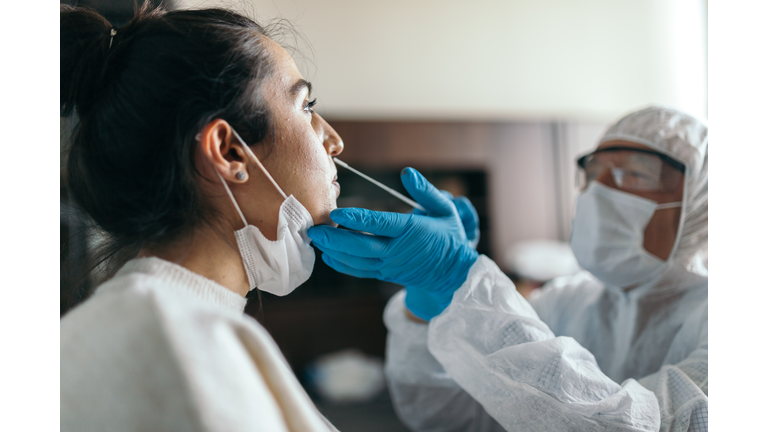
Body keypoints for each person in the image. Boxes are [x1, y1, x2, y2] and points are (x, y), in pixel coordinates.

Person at [309, 106, 708, 431]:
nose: (598, 191)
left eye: (632, 174)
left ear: (702, 202)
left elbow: (637, 426)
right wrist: (429, 306)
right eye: (593, 172)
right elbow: (450, 418)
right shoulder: (566, 302)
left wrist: (459, 275)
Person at [60, 3, 347, 431]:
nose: (335, 141)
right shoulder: (177, 343)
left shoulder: (165, 319)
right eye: (307, 106)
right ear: (229, 152)